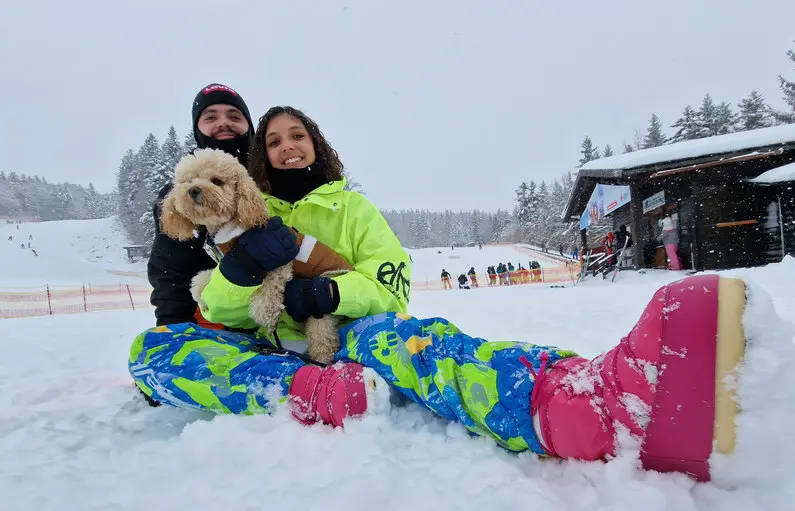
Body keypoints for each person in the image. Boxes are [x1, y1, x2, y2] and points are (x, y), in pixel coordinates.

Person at [129, 107, 763, 483]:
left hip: (345, 329)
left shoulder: (352, 209)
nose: (287, 145)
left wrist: (324, 292)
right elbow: (217, 309)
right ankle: (313, 394)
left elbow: (391, 280)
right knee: (151, 350)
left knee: (419, 343)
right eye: (273, 140)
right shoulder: (238, 213)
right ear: (258, 159)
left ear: (318, 146)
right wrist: (243, 277)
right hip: (265, 352)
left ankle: (577, 404)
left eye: (299, 135)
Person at [147, 83, 259, 327]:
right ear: (197, 127)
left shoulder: (273, 180)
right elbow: (170, 274)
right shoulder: (178, 196)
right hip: (212, 322)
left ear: (248, 126)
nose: (223, 122)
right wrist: (173, 328)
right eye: (210, 117)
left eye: (234, 116)